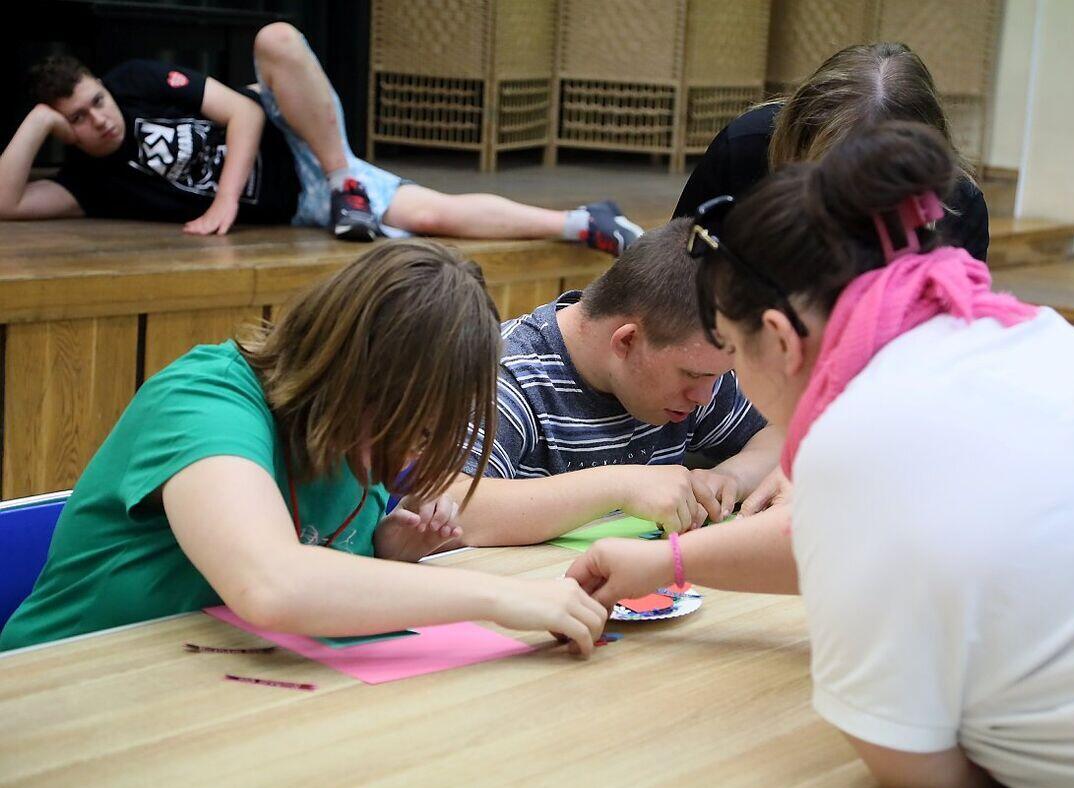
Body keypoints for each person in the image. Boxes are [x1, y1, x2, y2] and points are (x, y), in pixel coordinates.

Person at [570, 122, 1074, 788]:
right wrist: (666, 561)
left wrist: (1014, 742)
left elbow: (912, 767)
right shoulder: (1013, 334)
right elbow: (849, 535)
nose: (733, 382)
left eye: (733, 353)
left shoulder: (859, 433)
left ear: (778, 337)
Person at [0, 240, 606, 654]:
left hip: (202, 691)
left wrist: (387, 549)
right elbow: (272, 583)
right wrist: (502, 596)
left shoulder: (347, 435)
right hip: (56, 690)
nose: (410, 458)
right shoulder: (204, 400)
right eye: (412, 429)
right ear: (355, 375)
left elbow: (321, 572)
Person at [0, 22, 642, 252]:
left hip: (296, 134)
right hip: (302, 202)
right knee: (432, 215)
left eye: (96, 101)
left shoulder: (137, 81)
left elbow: (245, 113)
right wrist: (36, 124)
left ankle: (346, 181)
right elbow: (9, 203)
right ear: (62, 130)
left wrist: (224, 200)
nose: (99, 118)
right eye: (76, 119)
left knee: (276, 38)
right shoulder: (89, 184)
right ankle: (585, 223)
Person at [452, 218, 781, 547]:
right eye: (693, 375)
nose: (705, 397)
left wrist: (732, 477)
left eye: (717, 376)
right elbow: (451, 509)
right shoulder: (506, 374)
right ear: (626, 341)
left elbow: (783, 433)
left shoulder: (695, 362)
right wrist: (619, 487)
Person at [673, 42, 988, 263]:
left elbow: (953, 328)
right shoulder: (747, 146)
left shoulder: (956, 204)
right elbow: (674, 271)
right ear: (798, 133)